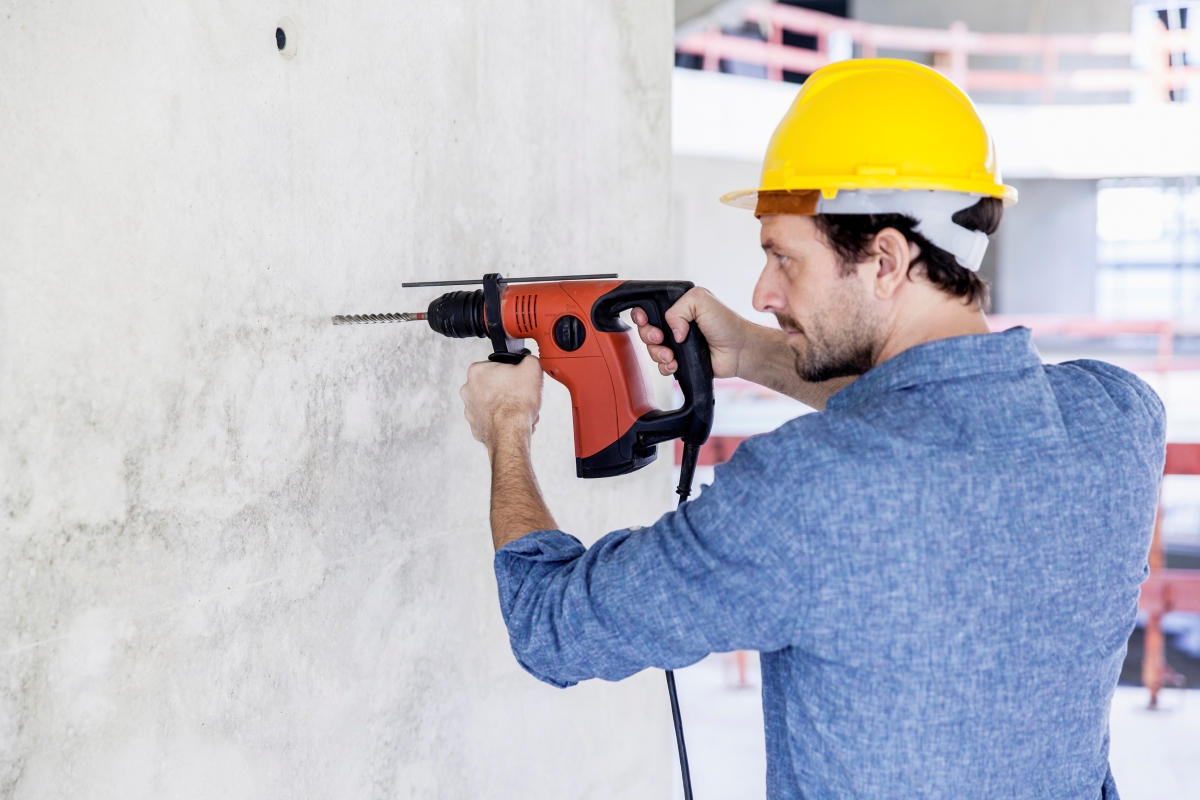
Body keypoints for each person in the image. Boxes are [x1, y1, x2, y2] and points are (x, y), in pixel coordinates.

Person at [458, 60, 1165, 799]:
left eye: (782, 258)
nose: (762, 293)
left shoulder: (805, 492)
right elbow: (945, 419)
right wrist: (754, 355)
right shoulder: (1119, 420)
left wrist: (508, 426)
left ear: (885, 260)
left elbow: (551, 626)